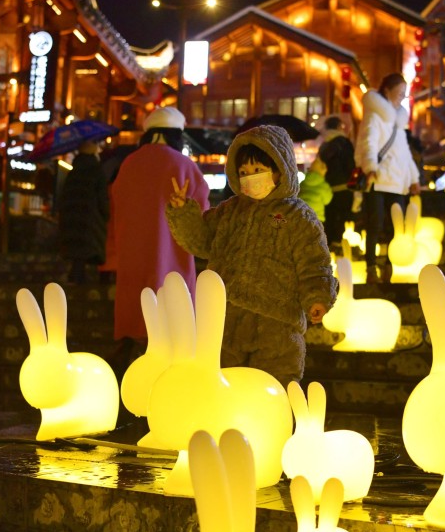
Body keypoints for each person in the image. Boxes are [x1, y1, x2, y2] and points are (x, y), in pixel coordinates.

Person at [166, 124, 337, 386]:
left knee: (276, 384)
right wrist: (183, 213)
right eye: (244, 172)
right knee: (226, 384)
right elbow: (201, 242)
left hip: (277, 320)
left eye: (258, 170)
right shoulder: (230, 211)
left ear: (280, 170)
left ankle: (277, 424)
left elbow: (314, 263)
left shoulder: (298, 217)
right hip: (227, 317)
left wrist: (318, 296)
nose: (250, 177)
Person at [108, 106, 210, 371]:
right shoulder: (183, 164)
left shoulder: (129, 164)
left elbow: (115, 206)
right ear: (176, 134)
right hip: (172, 253)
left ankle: (129, 360)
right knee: (171, 307)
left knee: (135, 304)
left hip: (132, 252)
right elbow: (203, 214)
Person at [354, 73, 420, 282]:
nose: (402, 96)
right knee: (374, 224)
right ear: (387, 90)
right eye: (400, 91)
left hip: (398, 181)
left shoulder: (399, 123)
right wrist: (371, 166)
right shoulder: (375, 115)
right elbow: (369, 142)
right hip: (379, 178)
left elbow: (405, 153)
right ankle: (371, 266)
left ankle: (388, 263)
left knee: (395, 225)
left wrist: (413, 179)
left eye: (404, 93)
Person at [57, 139, 110, 284]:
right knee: (86, 247)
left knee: (77, 248)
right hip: (89, 217)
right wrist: (106, 214)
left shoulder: (73, 171)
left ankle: (75, 275)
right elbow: (102, 197)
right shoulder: (96, 170)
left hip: (73, 216)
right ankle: (80, 277)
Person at [317, 116, 356, 248]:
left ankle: (328, 245)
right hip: (343, 186)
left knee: (330, 216)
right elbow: (351, 164)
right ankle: (337, 245)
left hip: (327, 187)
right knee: (341, 217)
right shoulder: (344, 142)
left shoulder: (324, 144)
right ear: (339, 127)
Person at [298, 151, 333, 224]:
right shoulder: (324, 186)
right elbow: (327, 200)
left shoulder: (303, 182)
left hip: (301, 215)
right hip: (317, 218)